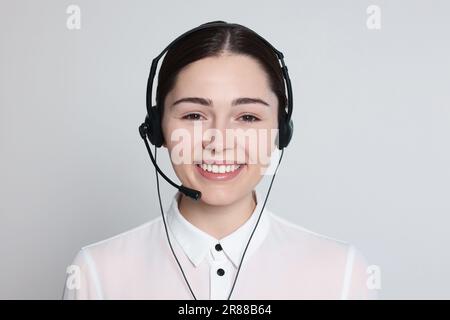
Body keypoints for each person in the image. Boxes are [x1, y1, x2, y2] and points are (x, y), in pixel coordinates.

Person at [62, 21, 378, 300]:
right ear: (159, 128)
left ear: (280, 130)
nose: (219, 141)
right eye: (195, 115)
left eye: (248, 117)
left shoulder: (343, 273)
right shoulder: (95, 272)